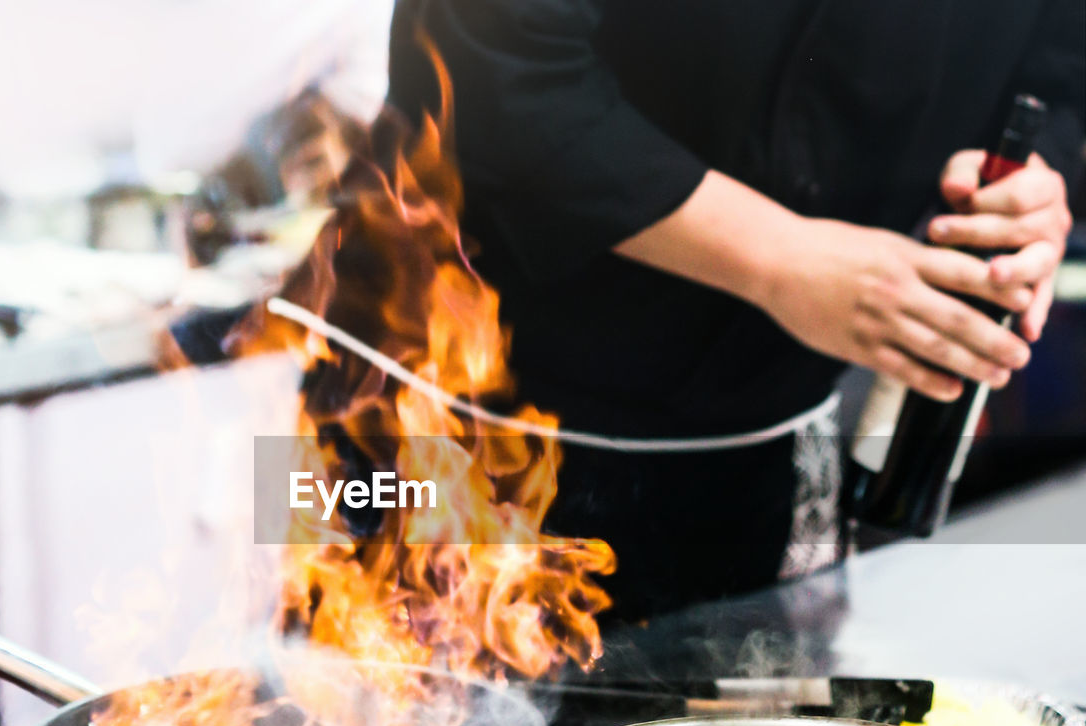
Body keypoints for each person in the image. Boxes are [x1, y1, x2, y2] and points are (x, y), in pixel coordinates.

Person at [387, 0, 1084, 618]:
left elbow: (1057, 80)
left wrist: (1034, 188)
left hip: (769, 448)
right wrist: (779, 258)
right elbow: (488, 70)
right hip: (459, 424)